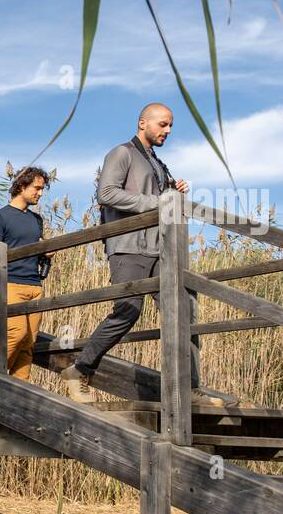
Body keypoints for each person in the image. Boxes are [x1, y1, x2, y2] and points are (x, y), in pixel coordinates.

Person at [59, 103, 224, 407]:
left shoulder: (157, 163)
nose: (168, 131)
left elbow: (159, 197)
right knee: (128, 310)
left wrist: (173, 188)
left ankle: (190, 389)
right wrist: (158, 201)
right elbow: (106, 194)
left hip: (160, 248)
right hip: (127, 246)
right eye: (162, 124)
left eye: (170, 126)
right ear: (142, 123)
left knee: (181, 311)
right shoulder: (121, 153)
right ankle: (81, 369)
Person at [0, 166, 52, 381]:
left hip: (35, 285)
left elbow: (34, 246)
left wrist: (46, 252)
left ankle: (18, 391)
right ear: (21, 186)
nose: (40, 193)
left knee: (29, 343)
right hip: (11, 284)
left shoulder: (36, 220)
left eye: (42, 189)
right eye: (37, 188)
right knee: (16, 333)